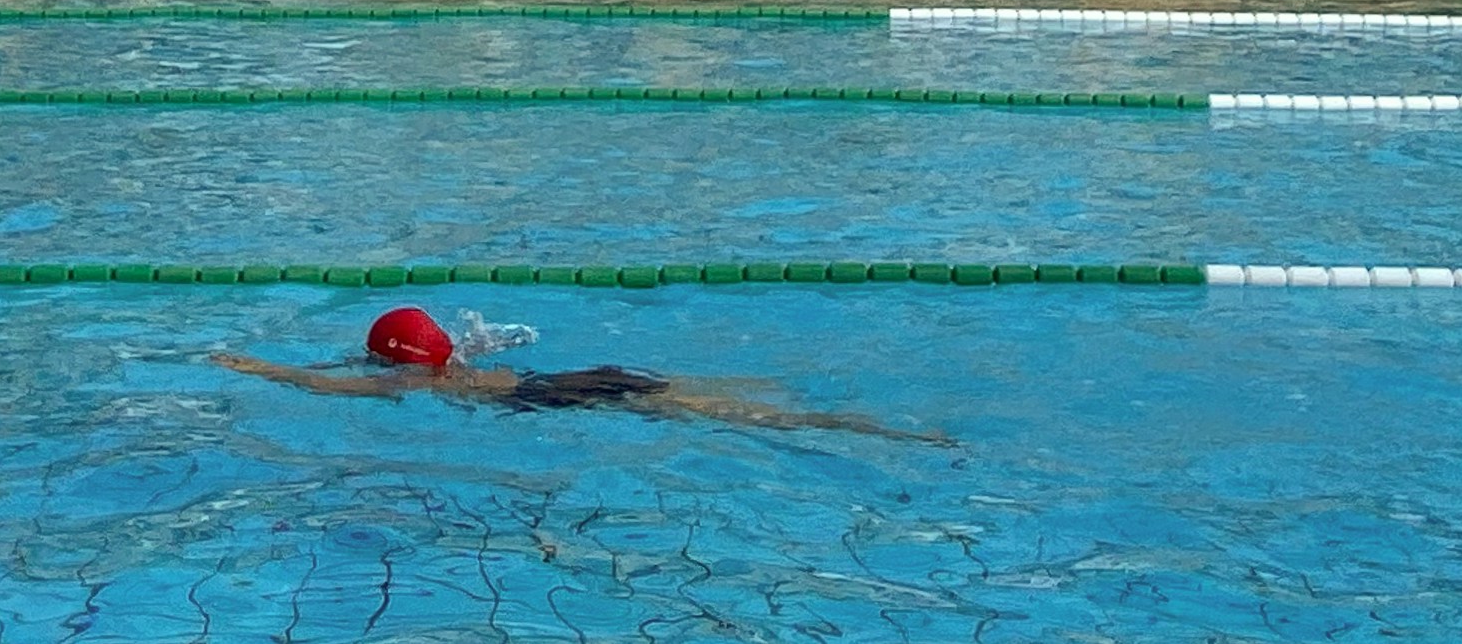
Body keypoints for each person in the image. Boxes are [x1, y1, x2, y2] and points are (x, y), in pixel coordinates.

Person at [219, 306, 937, 439]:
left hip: (553, 395)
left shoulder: (413, 382)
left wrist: (255, 365)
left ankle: (849, 426)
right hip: (576, 371)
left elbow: (325, 384)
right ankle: (829, 412)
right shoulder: (460, 359)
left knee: (705, 414)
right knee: (692, 394)